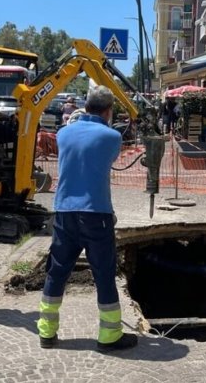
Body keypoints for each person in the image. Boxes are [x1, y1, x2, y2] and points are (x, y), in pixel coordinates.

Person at [37, 85, 138, 352]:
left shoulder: (63, 133)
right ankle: (109, 336)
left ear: (86, 105)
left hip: (64, 212)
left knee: (57, 270)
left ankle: (47, 332)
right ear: (108, 110)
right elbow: (110, 158)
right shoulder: (111, 136)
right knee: (103, 273)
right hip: (97, 214)